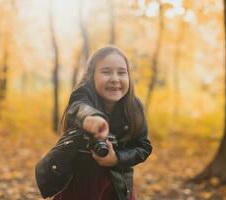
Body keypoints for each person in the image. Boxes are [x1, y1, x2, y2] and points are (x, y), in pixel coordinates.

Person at [53, 46, 152, 200]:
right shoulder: (83, 94)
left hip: (117, 185)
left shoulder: (134, 106)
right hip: (78, 182)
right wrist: (89, 118)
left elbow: (143, 147)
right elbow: (77, 108)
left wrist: (117, 158)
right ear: (91, 76)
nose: (115, 79)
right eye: (106, 72)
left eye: (121, 72)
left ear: (129, 76)